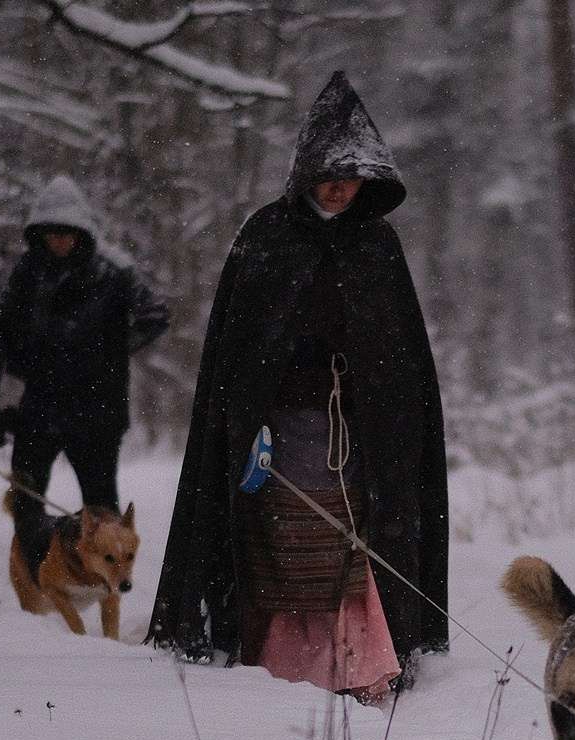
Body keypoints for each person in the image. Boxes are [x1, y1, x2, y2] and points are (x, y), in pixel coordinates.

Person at [147, 72, 448, 702]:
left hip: (355, 433)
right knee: (281, 548)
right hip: (279, 428)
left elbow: (400, 356)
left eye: (351, 176)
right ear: (307, 171)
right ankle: (279, 666)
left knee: (353, 544)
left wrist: (378, 402)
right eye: (329, 175)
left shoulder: (377, 245)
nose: (339, 188)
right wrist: (253, 408)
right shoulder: (266, 237)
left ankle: (358, 667)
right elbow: (238, 349)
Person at [0, 176, 170, 546]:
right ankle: (35, 571)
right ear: (39, 233)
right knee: (26, 501)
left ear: (81, 231)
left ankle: (102, 575)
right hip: (40, 404)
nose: (58, 240)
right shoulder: (30, 271)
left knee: (101, 513)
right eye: (51, 232)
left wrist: (108, 351)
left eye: (66, 232)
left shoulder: (113, 270)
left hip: (97, 409)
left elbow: (156, 313)